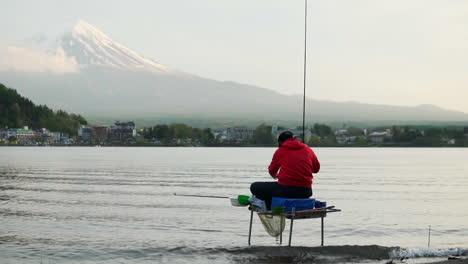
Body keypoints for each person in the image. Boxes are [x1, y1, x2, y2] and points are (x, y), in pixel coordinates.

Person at [250, 131, 320, 209]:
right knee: (278, 188)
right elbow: (316, 169)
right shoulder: (308, 149)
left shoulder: (280, 151)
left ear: (280, 142)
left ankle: (267, 206)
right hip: (306, 191)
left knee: (254, 186)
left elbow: (272, 171)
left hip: (287, 190)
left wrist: (276, 175)